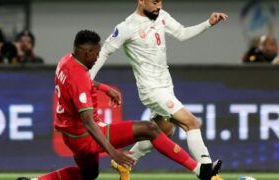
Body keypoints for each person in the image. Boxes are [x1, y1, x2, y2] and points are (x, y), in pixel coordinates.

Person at [18, 30, 221, 180]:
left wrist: (103, 87)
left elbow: (78, 83)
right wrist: (113, 152)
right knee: (150, 128)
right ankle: (199, 170)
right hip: (85, 136)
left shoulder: (66, 61)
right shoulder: (79, 75)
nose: (99, 57)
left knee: (88, 176)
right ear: (86, 52)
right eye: (96, 53)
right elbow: (89, 122)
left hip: (70, 136)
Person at [89, 0, 226, 179]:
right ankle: (208, 171)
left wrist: (208, 23)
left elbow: (182, 33)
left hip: (166, 86)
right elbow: (105, 51)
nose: (158, 6)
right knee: (191, 122)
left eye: (160, 1)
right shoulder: (126, 27)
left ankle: (123, 162)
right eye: (154, 2)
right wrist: (87, 78)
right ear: (141, 1)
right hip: (151, 89)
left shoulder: (161, 15)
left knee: (164, 131)